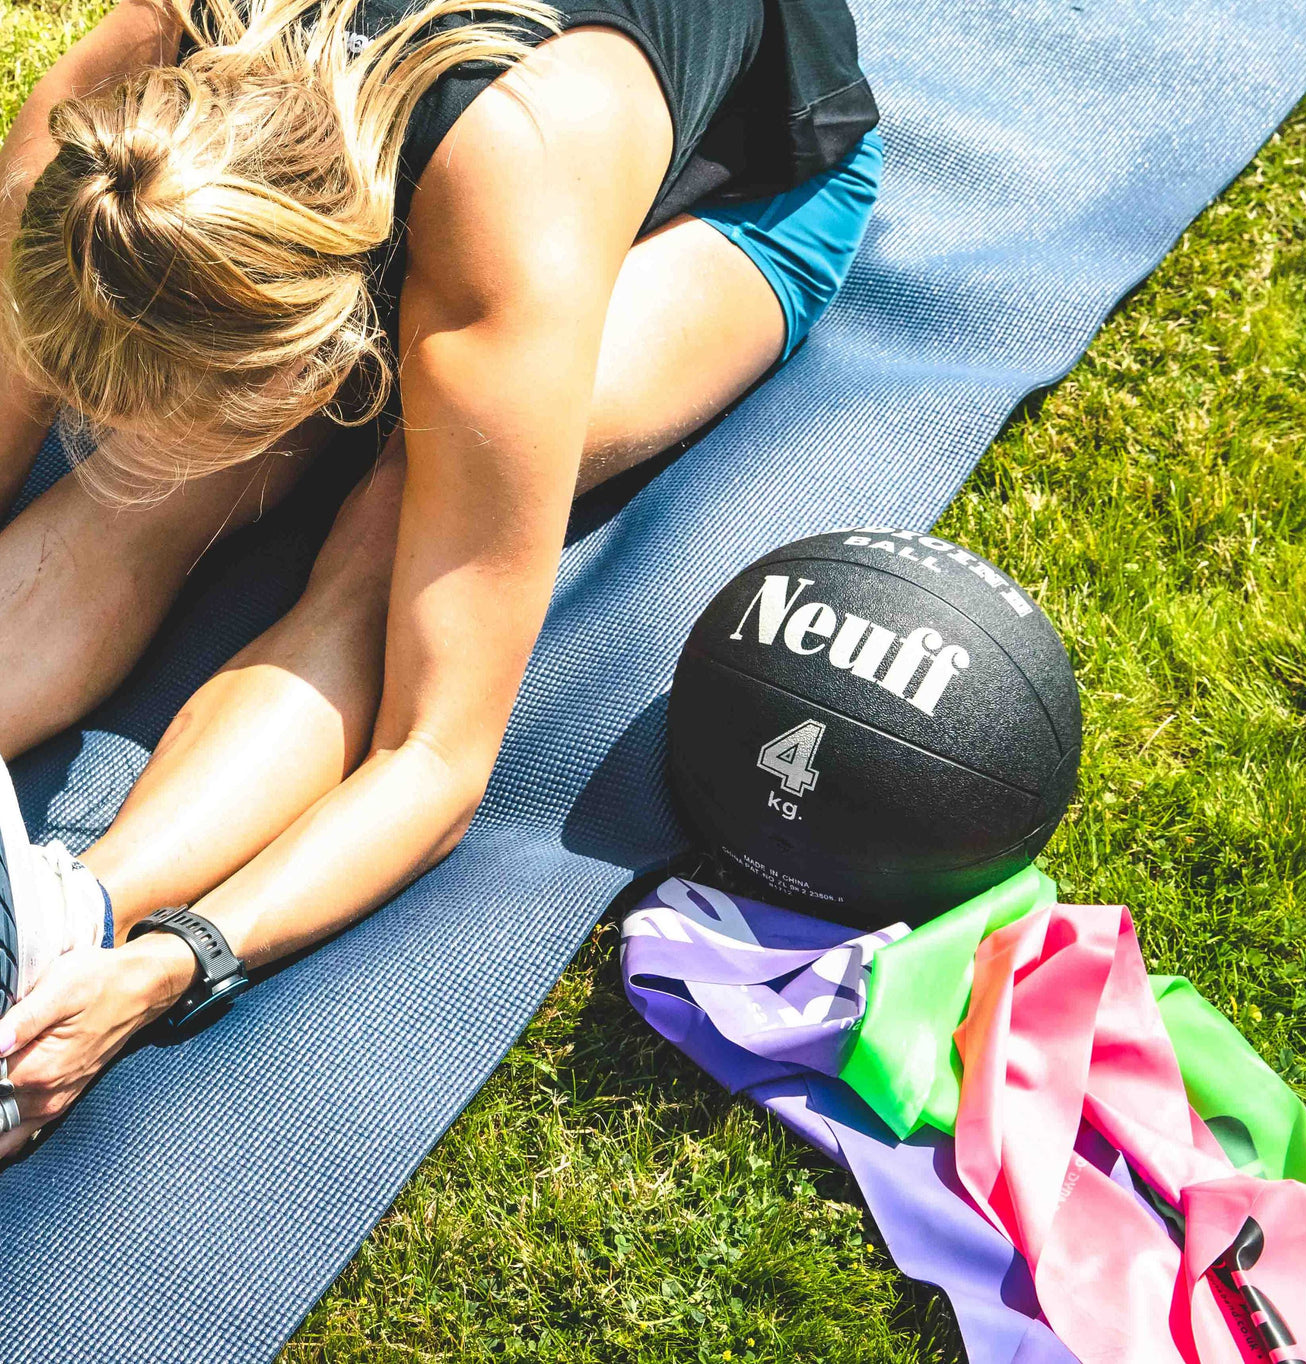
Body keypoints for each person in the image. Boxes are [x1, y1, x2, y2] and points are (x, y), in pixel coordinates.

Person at [0, 0, 881, 1153]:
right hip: (366, 185)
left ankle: (63, 924)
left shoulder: (519, 173)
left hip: (734, 195)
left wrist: (161, 963)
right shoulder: (126, 110)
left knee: (390, 522)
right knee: (162, 476)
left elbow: (433, 754)